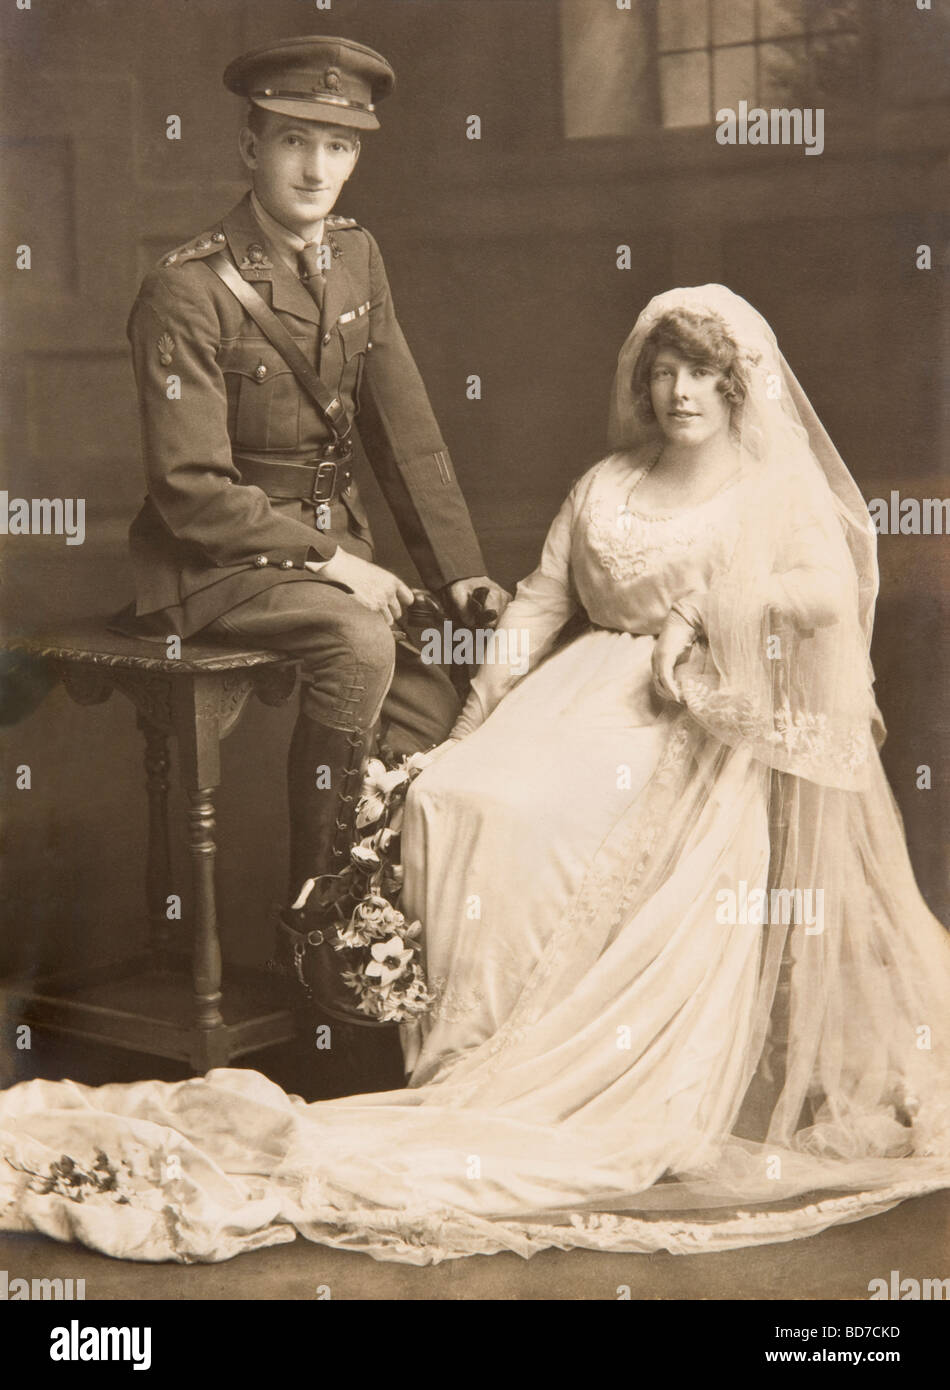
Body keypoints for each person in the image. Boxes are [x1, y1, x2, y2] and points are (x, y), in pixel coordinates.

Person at [3, 286, 949, 1264]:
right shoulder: (605, 483)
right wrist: (470, 721)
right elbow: (539, 605)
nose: (679, 391)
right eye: (662, 370)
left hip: (692, 713)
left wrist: (702, 615)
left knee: (534, 817)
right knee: (458, 793)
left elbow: (828, 597)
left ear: (738, 384)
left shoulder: (766, 492)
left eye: (703, 372)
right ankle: (461, 1061)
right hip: (580, 689)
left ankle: (528, 1063)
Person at [117, 35, 509, 1015]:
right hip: (211, 563)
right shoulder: (187, 289)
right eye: (294, 140)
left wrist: (458, 573)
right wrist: (338, 564)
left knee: (439, 661)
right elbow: (191, 490)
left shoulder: (358, 259)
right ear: (249, 146)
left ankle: (383, 904)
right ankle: (317, 918)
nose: (316, 169)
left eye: (338, 147)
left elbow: (404, 432)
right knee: (354, 634)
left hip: (335, 550)